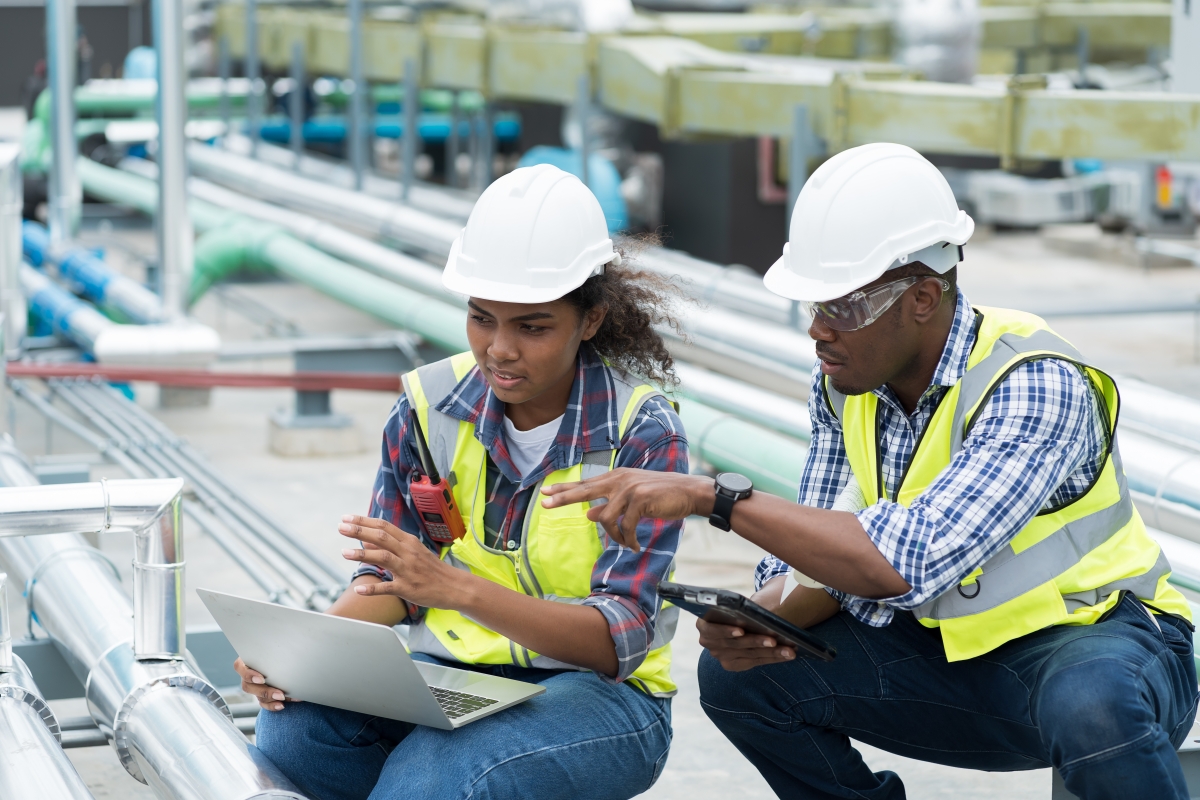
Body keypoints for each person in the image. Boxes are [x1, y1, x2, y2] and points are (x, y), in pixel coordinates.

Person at [542, 143, 1199, 799]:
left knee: (1091, 706)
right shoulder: (846, 386)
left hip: (1099, 645)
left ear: (921, 297)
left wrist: (712, 498)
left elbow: (908, 562)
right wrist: (756, 622)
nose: (819, 331)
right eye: (815, 307)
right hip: (960, 658)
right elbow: (817, 563)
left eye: (842, 308)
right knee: (741, 678)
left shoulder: (1030, 383)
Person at [234, 164, 687, 800]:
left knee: (439, 774)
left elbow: (620, 639)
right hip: (454, 676)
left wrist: (457, 588)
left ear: (590, 320)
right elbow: (398, 583)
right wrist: (302, 659)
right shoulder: (427, 407)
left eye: (532, 326)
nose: (499, 349)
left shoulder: (641, 434)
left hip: (603, 699)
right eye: (482, 318)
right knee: (296, 730)